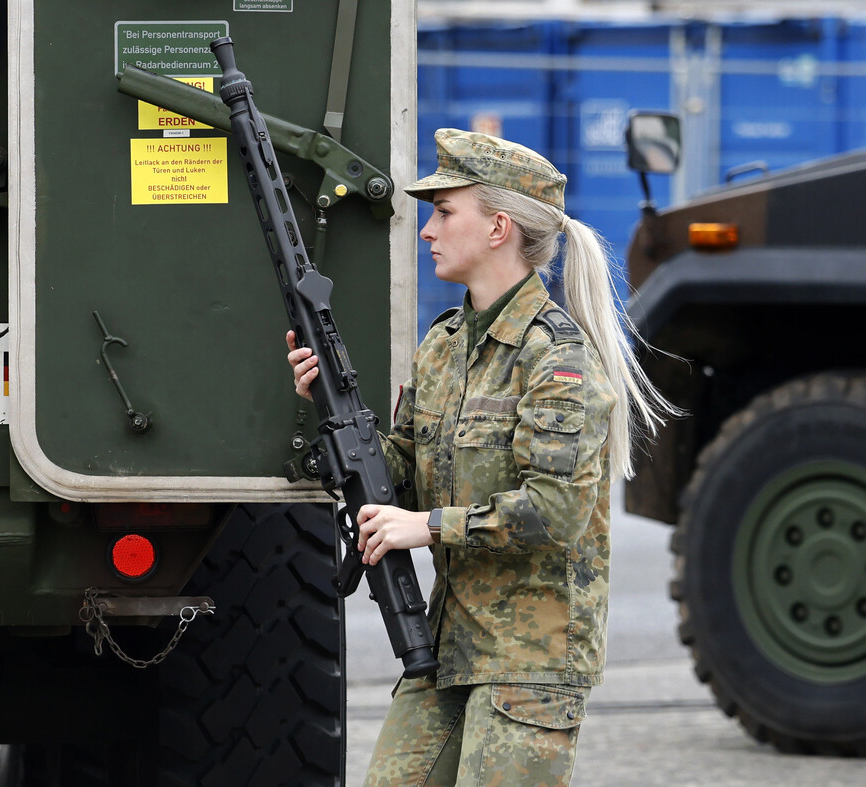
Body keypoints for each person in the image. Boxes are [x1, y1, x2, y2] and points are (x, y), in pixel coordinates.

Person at [286, 129, 676, 786]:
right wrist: (326, 413)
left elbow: (557, 511)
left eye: (445, 212)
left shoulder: (558, 359)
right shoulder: (443, 346)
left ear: (498, 227)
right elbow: (399, 471)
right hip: (445, 649)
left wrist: (428, 527)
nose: (427, 230)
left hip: (529, 664)